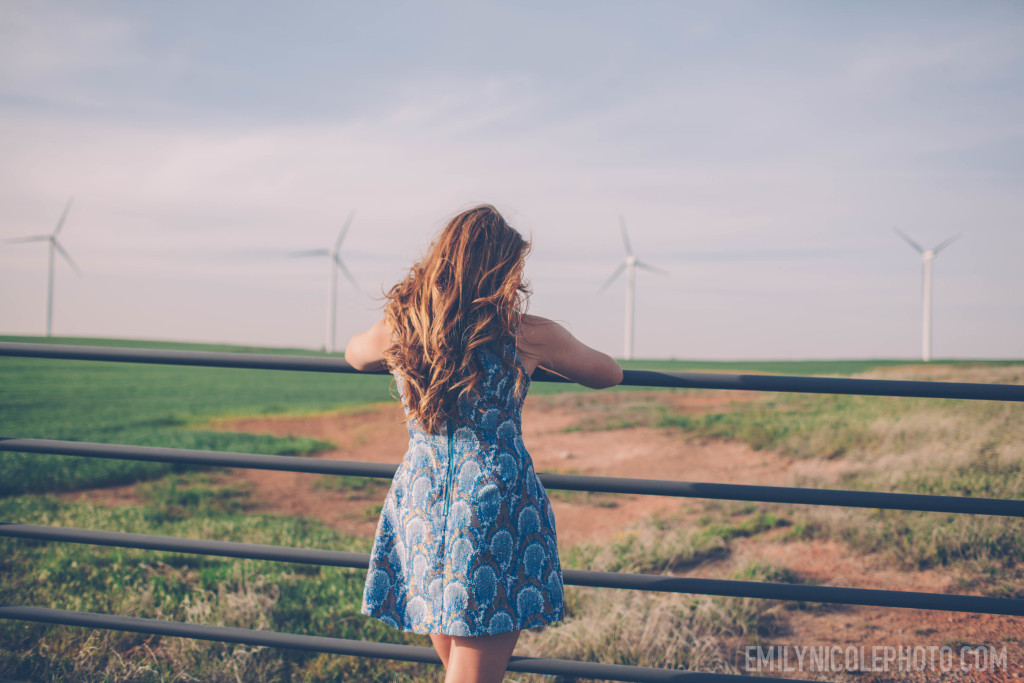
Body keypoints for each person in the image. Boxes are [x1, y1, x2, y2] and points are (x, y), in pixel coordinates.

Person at [345, 205, 623, 683]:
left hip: (422, 505)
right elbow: (609, 373)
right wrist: (536, 360)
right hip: (490, 509)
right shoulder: (526, 334)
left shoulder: (401, 327)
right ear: (501, 271)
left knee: (459, 665)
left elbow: (354, 354)